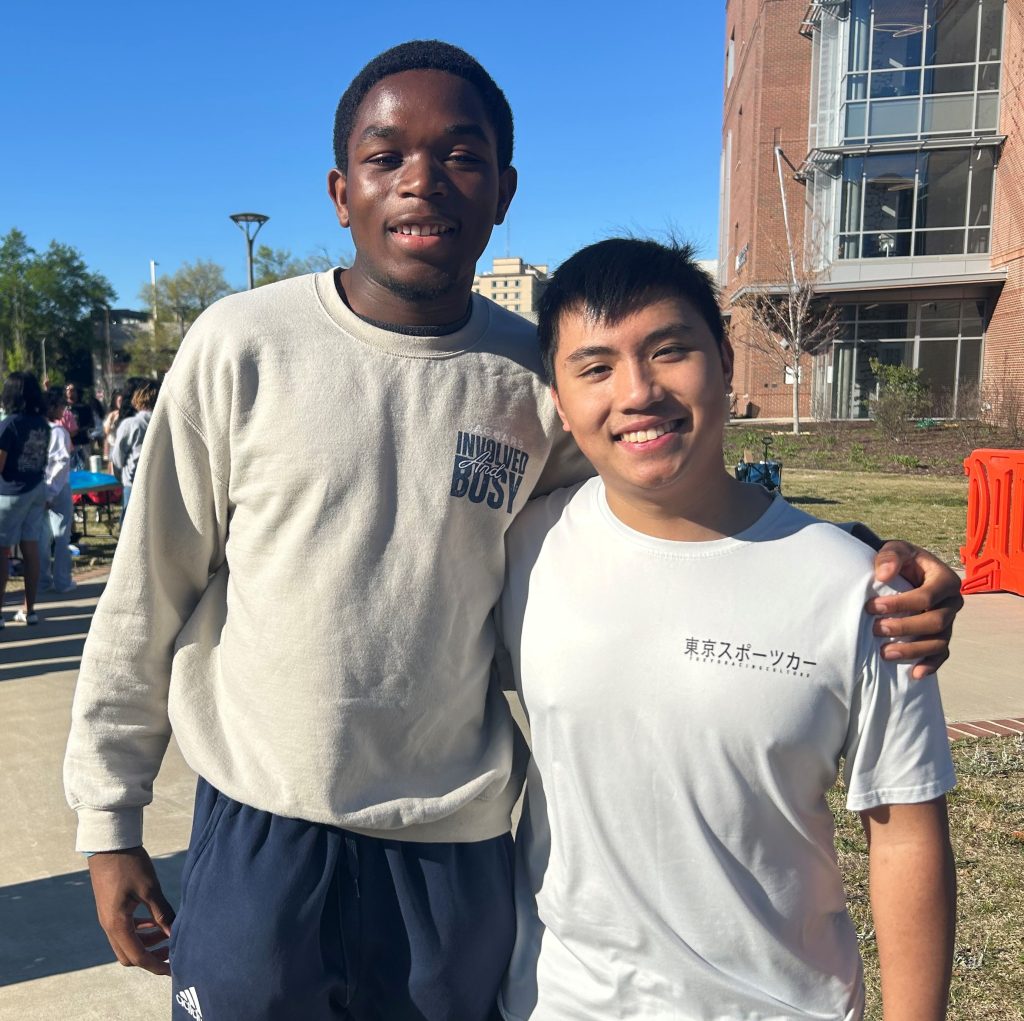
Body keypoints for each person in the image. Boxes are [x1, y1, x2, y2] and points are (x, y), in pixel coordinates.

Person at [64, 41, 963, 1021]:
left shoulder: (536, 379)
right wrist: (108, 821)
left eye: (460, 155)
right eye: (385, 155)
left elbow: (663, 504)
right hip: (265, 828)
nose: (422, 181)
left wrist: (856, 555)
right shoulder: (241, 346)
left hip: (455, 847)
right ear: (339, 189)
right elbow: (146, 592)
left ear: (502, 189)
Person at [497, 238, 957, 1021]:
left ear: (726, 363)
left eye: (670, 351)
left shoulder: (860, 588)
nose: (638, 391)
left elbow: (906, 830)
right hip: (559, 1000)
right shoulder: (520, 550)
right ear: (560, 401)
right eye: (597, 367)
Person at [0, 371, 50, 627]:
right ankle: (29, 609)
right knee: (31, 549)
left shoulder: (9, 424)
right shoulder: (41, 423)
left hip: (9, 492)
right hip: (36, 489)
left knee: (3, 551)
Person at [40, 387, 76, 594]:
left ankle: (43, 580)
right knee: (62, 536)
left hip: (38, 488)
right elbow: (62, 462)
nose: (64, 409)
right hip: (58, 487)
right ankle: (62, 581)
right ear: (53, 407)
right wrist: (52, 491)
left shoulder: (36, 430)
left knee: (41, 537)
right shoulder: (58, 431)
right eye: (62, 405)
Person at [111, 381, 159, 511]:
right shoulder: (166, 424)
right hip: (160, 484)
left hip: (134, 484)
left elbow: (117, 459)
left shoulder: (131, 424)